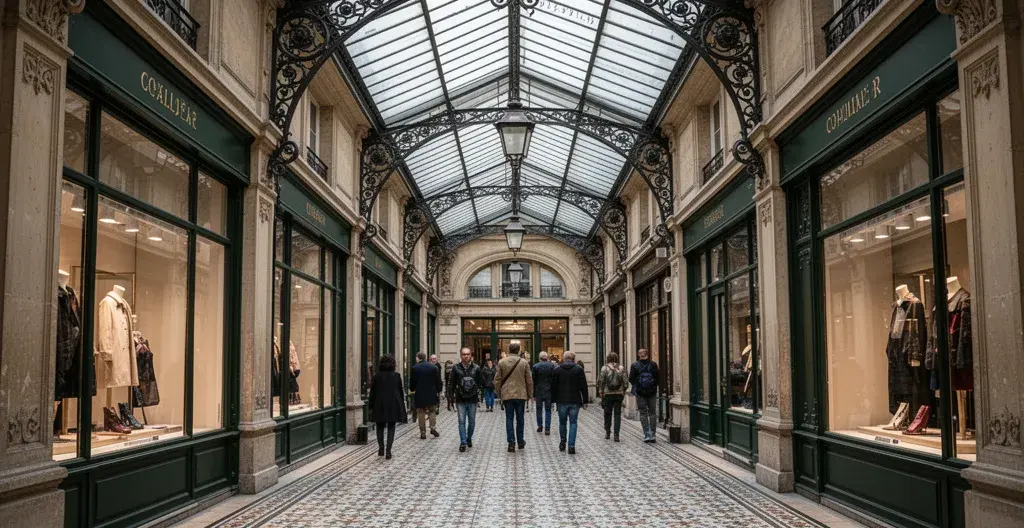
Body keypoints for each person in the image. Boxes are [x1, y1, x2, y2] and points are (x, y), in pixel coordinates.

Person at [494, 342, 533, 453]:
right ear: (519, 350)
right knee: (520, 419)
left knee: (509, 418)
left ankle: (511, 443)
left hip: (507, 394)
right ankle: (520, 441)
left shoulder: (502, 362)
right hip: (521, 394)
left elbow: (497, 380)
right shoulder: (524, 362)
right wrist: (530, 394)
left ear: (509, 350)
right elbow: (529, 380)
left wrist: (499, 393)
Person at [551, 351, 589, 454]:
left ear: (564, 358)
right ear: (574, 359)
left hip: (561, 400)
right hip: (575, 400)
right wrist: (585, 400)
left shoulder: (557, 370)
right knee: (573, 422)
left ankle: (563, 442)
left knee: (562, 422)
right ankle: (571, 446)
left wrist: (553, 400)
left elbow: (553, 386)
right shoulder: (579, 370)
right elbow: (583, 386)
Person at [368, 355, 405, 459]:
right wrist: (401, 406)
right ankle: (388, 450)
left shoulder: (376, 376)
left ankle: (381, 447)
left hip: (379, 404)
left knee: (379, 426)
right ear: (393, 364)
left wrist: (371, 405)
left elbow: (372, 392)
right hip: (393, 404)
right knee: (391, 427)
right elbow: (400, 392)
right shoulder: (396, 376)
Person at [448, 348, 484, 452]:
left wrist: (480, 397)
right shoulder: (456, 368)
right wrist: (450, 398)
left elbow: (480, 382)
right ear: (461, 355)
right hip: (460, 399)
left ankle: (469, 438)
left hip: (472, 399)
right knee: (461, 421)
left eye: (468, 354)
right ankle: (463, 442)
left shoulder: (476, 368)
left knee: (472, 422)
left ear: (471, 355)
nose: (466, 356)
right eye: (464, 354)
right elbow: (451, 384)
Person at [629, 348, 661, 443]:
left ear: (639, 355)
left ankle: (647, 434)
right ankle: (653, 434)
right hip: (652, 393)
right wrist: (652, 386)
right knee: (652, 412)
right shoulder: (653, 365)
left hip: (640, 393)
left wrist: (639, 387)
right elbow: (658, 379)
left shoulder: (635, 365)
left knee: (643, 413)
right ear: (648, 354)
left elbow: (631, 379)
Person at [409, 351, 442, 439]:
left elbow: (412, 382)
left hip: (420, 393)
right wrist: (438, 390)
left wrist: (412, 389)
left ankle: (423, 432)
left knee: (421, 412)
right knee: (432, 411)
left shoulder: (415, 368)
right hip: (431, 392)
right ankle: (432, 427)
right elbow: (438, 381)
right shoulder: (433, 367)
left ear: (417, 358)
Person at [597, 352, 627, 442]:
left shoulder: (604, 368)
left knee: (607, 413)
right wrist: (623, 391)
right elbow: (625, 382)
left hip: (607, 394)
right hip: (619, 394)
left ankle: (607, 432)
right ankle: (616, 435)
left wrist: (601, 392)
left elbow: (601, 381)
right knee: (617, 414)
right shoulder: (621, 368)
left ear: (608, 358)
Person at [531, 351, 555, 434]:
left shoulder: (535, 366)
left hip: (539, 391)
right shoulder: (552, 366)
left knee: (539, 410)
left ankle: (540, 426)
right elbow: (553, 380)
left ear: (539, 358)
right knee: (548, 410)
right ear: (547, 357)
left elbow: (533, 381)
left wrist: (533, 394)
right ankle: (547, 428)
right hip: (549, 391)